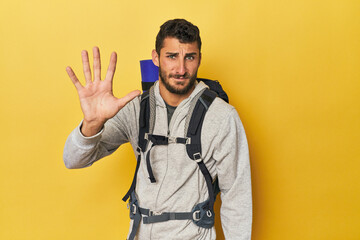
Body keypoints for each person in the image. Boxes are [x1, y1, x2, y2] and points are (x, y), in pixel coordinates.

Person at [63, 19, 252, 240]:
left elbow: (237, 199)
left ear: (199, 58)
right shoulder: (135, 108)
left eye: (189, 57)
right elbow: (72, 159)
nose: (181, 69)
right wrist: (92, 123)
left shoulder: (222, 116)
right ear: (156, 58)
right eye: (171, 56)